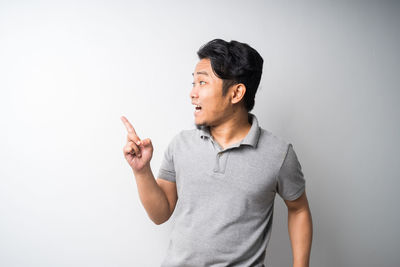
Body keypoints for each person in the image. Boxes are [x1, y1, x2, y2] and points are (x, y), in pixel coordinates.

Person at [121, 39, 313, 267]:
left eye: (202, 82)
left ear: (236, 93)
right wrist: (142, 171)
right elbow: (160, 214)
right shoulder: (181, 144)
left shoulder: (278, 154)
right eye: (193, 83)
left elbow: (299, 209)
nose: (193, 93)